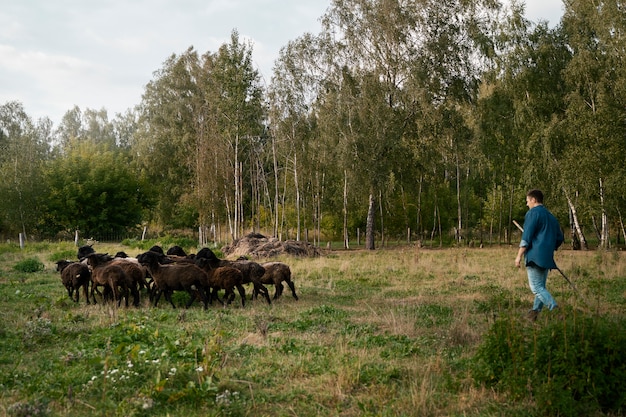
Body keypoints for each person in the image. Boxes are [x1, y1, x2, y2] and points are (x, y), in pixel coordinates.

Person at [515, 189, 564, 321]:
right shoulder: (551, 216)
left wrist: (519, 256)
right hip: (547, 257)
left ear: (533, 200)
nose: (527, 204)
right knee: (541, 287)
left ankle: (554, 308)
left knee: (536, 288)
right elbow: (559, 238)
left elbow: (527, 236)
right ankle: (534, 313)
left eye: (527, 201)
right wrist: (548, 248)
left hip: (534, 257)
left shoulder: (533, 214)